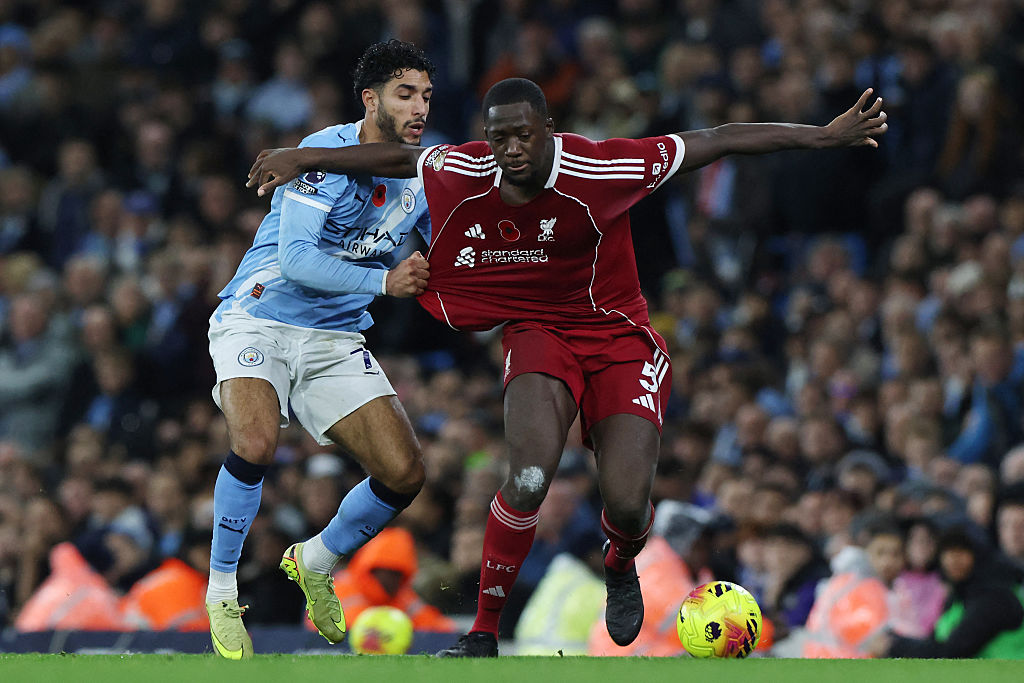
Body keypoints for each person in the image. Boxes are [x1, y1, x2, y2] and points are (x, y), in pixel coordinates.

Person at [247, 77, 888, 657]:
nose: (510, 148)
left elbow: (713, 140)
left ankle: (620, 561)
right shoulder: (466, 164)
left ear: (547, 130)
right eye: (499, 137)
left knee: (630, 503)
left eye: (523, 134)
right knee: (526, 477)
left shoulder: (603, 167)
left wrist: (820, 136)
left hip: (618, 337)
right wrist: (305, 157)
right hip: (539, 333)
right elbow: (399, 158)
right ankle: (483, 632)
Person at [204, 40, 435, 660]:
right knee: (254, 441)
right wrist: (387, 282)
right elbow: (299, 262)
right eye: (405, 94)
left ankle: (315, 559)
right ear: (371, 99)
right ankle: (222, 591)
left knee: (405, 472)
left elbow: (423, 249)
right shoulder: (323, 152)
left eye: (427, 96)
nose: (419, 108)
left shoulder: (425, 171)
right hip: (259, 316)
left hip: (333, 336)